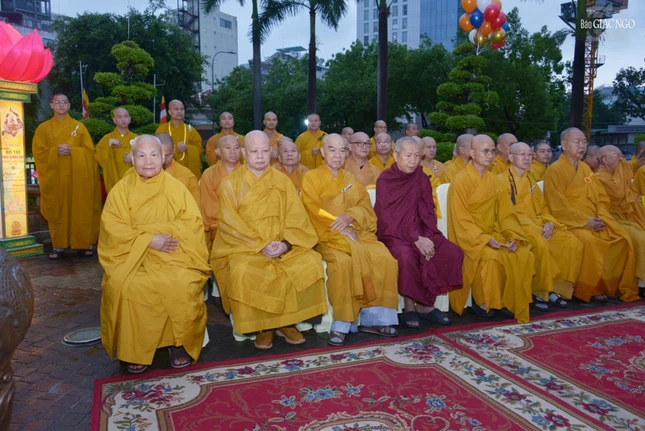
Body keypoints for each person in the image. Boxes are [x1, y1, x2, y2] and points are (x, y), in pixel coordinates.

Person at [99, 134, 211, 374]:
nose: (148, 161)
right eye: (141, 155)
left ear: (163, 158)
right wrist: (148, 239)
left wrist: (157, 236)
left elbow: (192, 225)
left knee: (180, 283)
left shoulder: (176, 188)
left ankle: (177, 342)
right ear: (132, 159)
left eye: (153, 155)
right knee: (130, 287)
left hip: (173, 254)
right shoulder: (121, 191)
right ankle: (135, 349)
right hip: (132, 258)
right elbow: (112, 230)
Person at [211, 131, 328, 350]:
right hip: (246, 247)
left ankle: (286, 323)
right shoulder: (230, 184)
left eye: (265, 151)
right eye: (254, 151)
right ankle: (264, 327)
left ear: (271, 152)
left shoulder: (282, 181)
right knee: (243, 270)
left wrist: (285, 244)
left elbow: (297, 218)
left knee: (310, 261)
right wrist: (260, 245)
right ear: (244, 152)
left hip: (282, 244)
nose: (260, 156)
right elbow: (230, 225)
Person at [301, 134, 400, 346]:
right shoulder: (311, 177)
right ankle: (342, 323)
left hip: (357, 231)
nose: (337, 155)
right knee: (344, 263)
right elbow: (312, 209)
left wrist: (350, 217)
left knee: (385, 258)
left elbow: (364, 206)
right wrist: (340, 225)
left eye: (342, 150)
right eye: (332, 150)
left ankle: (375, 320)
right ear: (323, 152)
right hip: (328, 236)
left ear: (347, 153)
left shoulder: (351, 178)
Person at [375, 137, 463, 328]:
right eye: (408, 156)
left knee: (452, 252)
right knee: (407, 256)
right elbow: (387, 217)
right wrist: (415, 238)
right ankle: (409, 307)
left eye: (416, 156)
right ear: (396, 156)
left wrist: (428, 236)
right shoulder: (386, 179)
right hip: (395, 234)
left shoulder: (422, 178)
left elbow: (428, 209)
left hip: (423, 231)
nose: (413, 161)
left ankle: (425, 305)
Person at [544, 127, 639, 303]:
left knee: (621, 238)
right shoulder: (555, 170)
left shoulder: (585, 168)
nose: (581, 146)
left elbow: (601, 198)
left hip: (593, 220)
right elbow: (557, 206)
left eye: (584, 142)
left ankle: (609, 286)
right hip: (568, 223)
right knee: (590, 241)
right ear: (564, 144)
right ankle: (587, 289)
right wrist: (585, 221)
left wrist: (600, 217)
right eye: (577, 142)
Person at [448, 134, 534, 323]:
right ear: (472, 153)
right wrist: (484, 239)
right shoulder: (460, 181)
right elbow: (461, 219)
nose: (490, 155)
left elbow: (506, 214)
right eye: (485, 151)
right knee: (491, 258)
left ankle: (505, 301)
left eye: (492, 151)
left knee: (521, 252)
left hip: (494, 234)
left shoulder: (494, 180)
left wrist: (511, 236)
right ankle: (484, 303)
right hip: (469, 237)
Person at [497, 142, 583, 309]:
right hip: (518, 225)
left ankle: (556, 288)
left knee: (570, 241)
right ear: (511, 157)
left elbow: (543, 207)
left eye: (529, 154)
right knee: (540, 243)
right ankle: (539, 291)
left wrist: (549, 222)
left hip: (537, 222)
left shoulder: (531, 180)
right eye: (522, 154)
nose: (527, 158)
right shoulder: (501, 181)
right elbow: (504, 214)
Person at [33, 93, 102, 260]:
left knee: (81, 209)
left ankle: (83, 245)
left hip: (77, 179)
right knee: (58, 210)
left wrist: (73, 151)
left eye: (64, 102)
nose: (61, 105)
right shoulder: (43, 128)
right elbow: (39, 152)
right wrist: (54, 151)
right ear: (52, 105)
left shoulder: (79, 127)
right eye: (57, 102)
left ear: (69, 105)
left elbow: (90, 152)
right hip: (56, 179)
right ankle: (58, 246)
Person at [595, 145, 645, 286]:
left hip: (630, 216)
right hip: (611, 219)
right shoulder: (599, 178)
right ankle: (640, 283)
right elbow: (618, 194)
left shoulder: (622, 175)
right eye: (618, 156)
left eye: (622, 156)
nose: (622, 160)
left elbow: (633, 196)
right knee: (640, 238)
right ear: (605, 160)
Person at [200, 135, 241, 250]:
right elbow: (209, 209)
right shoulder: (209, 174)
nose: (233, 151)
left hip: (245, 228)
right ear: (218, 151)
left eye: (236, 147)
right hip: (219, 228)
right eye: (228, 148)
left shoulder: (248, 173)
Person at [155, 100, 203, 179]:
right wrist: (176, 148)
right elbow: (156, 149)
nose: (179, 111)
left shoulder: (191, 130)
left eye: (182, 109)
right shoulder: (162, 129)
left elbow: (200, 150)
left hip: (187, 172)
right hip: (167, 172)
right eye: (176, 109)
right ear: (169, 112)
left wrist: (187, 147)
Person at [94, 107, 138, 193]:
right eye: (119, 117)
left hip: (133, 179)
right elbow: (98, 157)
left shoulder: (137, 138)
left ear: (129, 119)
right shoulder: (107, 138)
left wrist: (134, 159)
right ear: (114, 120)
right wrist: (109, 144)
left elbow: (146, 156)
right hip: (114, 178)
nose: (123, 119)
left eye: (126, 116)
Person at [156, 133, 200, 205]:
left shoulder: (186, 175)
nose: (164, 160)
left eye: (168, 155)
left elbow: (195, 204)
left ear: (174, 150)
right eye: (159, 155)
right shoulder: (142, 174)